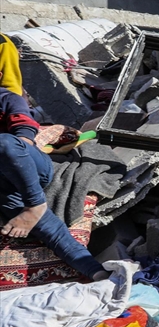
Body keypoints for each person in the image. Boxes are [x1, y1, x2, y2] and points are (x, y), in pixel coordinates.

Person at [1, 88, 107, 281]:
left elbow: (24, 134)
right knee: (53, 233)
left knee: (5, 143)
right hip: (5, 187)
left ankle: (35, 204)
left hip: (29, 165)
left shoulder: (7, 98)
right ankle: (99, 274)